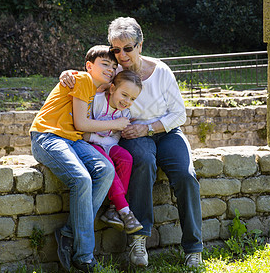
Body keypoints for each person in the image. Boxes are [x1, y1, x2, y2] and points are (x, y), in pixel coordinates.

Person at [60, 17, 203, 268]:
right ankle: (139, 239)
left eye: (127, 48)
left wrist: (148, 127)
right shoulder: (113, 73)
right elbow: (87, 75)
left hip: (164, 130)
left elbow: (179, 114)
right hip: (129, 132)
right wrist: (66, 75)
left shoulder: (161, 71)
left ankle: (194, 247)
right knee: (143, 162)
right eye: (116, 49)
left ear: (140, 45)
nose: (122, 55)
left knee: (186, 174)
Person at [30, 45, 131, 273]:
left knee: (106, 170)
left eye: (114, 67)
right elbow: (82, 124)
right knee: (81, 179)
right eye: (105, 64)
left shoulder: (96, 86)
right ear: (89, 66)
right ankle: (84, 257)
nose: (110, 69)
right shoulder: (83, 79)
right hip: (48, 136)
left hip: (74, 140)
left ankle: (68, 233)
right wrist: (116, 124)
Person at [84, 70, 143, 234]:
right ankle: (124, 211)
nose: (127, 101)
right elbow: (84, 130)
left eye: (132, 99)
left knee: (126, 158)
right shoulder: (97, 101)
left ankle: (112, 209)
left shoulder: (125, 112)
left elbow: (115, 137)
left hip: (109, 144)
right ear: (112, 89)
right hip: (92, 145)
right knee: (107, 164)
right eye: (124, 95)